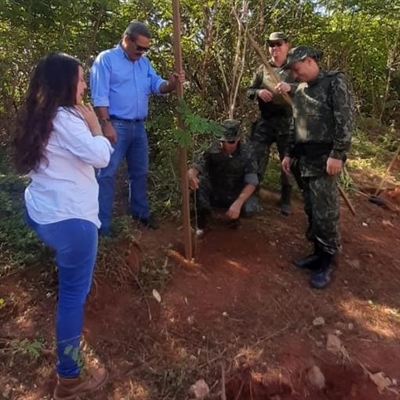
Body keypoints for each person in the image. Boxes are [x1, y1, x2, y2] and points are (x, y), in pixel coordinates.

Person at [14, 53, 113, 399]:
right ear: (65, 84)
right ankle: (69, 379)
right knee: (72, 299)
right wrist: (97, 128)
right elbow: (102, 156)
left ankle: (70, 356)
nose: (85, 85)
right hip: (73, 224)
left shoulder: (39, 115)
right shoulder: (69, 120)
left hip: (42, 214)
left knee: (71, 292)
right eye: (81, 79)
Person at [90, 20, 185, 235]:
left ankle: (140, 213)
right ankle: (101, 225)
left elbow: (158, 86)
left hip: (138, 127)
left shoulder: (144, 64)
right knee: (106, 173)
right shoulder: (106, 60)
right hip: (115, 124)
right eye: (139, 47)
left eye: (146, 48)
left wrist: (172, 83)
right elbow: (100, 96)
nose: (142, 52)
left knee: (139, 172)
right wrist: (106, 124)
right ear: (126, 40)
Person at [278, 45, 355, 289]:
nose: (295, 76)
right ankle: (317, 253)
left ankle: (329, 260)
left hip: (325, 160)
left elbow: (346, 119)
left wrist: (338, 154)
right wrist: (289, 153)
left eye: (297, 70)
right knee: (312, 209)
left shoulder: (335, 82)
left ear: (310, 61)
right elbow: (295, 125)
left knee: (326, 212)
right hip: (304, 160)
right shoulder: (300, 90)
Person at [247, 31, 302, 215]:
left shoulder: (294, 68)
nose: (274, 48)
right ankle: (253, 194)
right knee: (256, 158)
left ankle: (285, 198)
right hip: (265, 122)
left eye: (278, 44)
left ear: (287, 45)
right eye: (271, 44)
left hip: (287, 122)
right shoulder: (263, 68)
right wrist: (258, 93)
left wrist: (291, 87)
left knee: (286, 161)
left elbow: (308, 88)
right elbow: (249, 90)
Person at [187, 120, 260, 233]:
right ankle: (204, 218)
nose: (226, 145)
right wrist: (191, 176)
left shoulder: (247, 153)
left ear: (238, 139)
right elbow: (196, 167)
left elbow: (252, 182)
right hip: (215, 190)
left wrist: (239, 202)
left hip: (235, 193)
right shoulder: (212, 148)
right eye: (224, 141)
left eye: (231, 141)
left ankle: (234, 218)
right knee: (200, 182)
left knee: (251, 207)